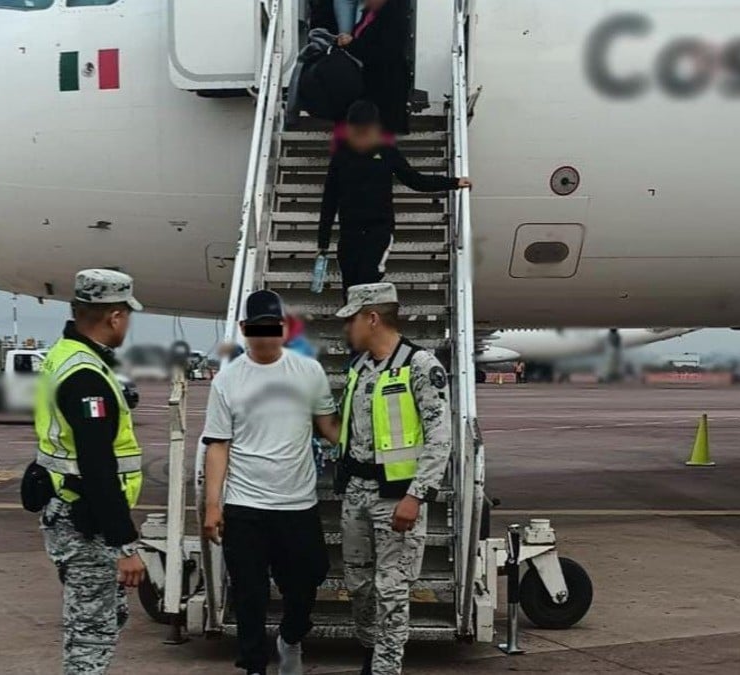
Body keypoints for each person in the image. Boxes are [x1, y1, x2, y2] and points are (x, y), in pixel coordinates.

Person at [202, 290, 341, 675]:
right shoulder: (227, 381)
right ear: (245, 329)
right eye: (256, 329)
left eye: (272, 327)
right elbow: (218, 445)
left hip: (297, 504)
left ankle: (291, 638)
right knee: (250, 594)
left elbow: (327, 425)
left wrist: (359, 438)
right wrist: (213, 505)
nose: (264, 336)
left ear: (283, 328)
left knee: (308, 579)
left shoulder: (308, 372)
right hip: (245, 505)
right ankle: (255, 666)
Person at [335, 283, 453, 675]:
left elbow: (440, 437)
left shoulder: (420, 366)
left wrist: (416, 496)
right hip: (357, 494)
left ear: (372, 318)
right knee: (358, 585)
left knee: (392, 590)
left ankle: (386, 667)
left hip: (397, 498)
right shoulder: (358, 367)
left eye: (352, 319)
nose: (347, 328)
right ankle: (371, 647)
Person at [35, 269, 147, 675]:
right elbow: (98, 466)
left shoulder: (63, 355)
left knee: (101, 619)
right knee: (91, 633)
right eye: (127, 317)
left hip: (64, 508)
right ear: (115, 316)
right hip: (86, 521)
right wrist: (126, 545)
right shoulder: (87, 377)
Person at [318, 100, 470, 301]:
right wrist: (323, 241)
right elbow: (330, 199)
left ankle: (370, 325)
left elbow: (415, 180)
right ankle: (354, 328)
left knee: (368, 278)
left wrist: (454, 182)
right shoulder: (341, 156)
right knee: (350, 285)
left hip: (378, 229)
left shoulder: (387, 152)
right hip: (349, 231)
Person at [339, 0, 411, 135]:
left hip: (387, 85)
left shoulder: (394, 16)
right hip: (370, 83)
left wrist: (352, 44)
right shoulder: (369, 13)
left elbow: (384, 51)